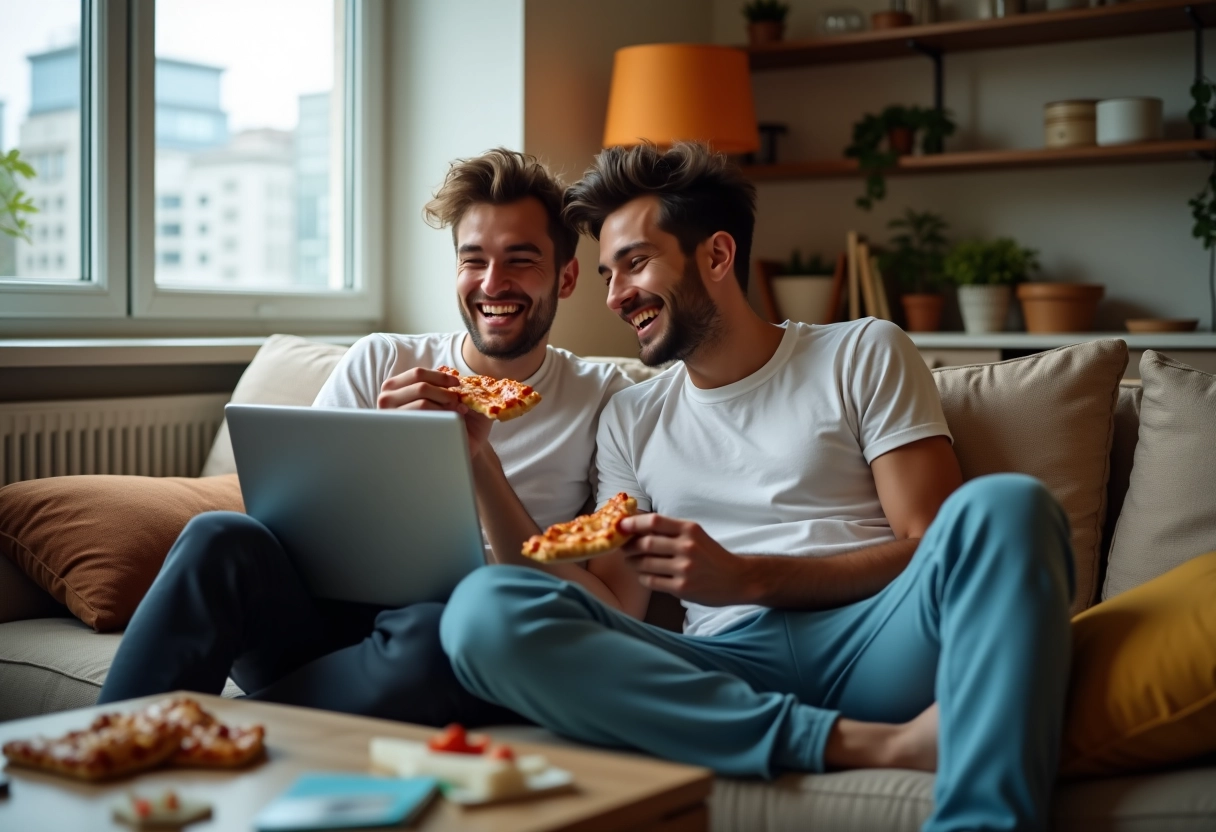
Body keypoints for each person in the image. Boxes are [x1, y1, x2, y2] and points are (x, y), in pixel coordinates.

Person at [439, 142, 1075, 831]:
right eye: (605, 273)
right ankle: (866, 745)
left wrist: (748, 578)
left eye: (636, 262)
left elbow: (930, 545)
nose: (616, 295)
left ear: (716, 256)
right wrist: (478, 462)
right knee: (483, 610)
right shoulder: (630, 415)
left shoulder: (862, 351)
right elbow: (615, 606)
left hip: (876, 642)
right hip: (722, 670)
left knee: (1010, 504)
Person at [98, 149, 637, 727]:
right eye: (472, 259)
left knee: (439, 635)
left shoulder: (604, 397)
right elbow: (292, 529)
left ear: (567, 276)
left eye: (520, 260)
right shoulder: (383, 359)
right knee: (218, 534)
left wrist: (476, 463)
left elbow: (600, 608)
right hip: (326, 620)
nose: (491, 283)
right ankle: (100, 741)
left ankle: (198, 731)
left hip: (451, 638)